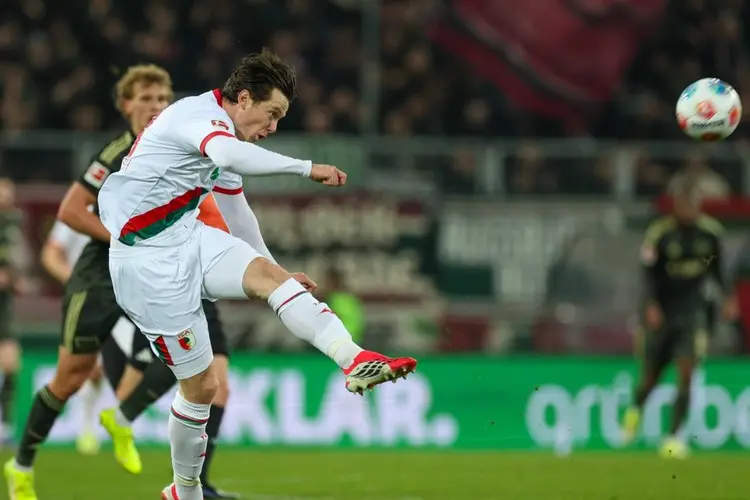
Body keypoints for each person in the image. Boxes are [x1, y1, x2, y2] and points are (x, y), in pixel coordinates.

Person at [97, 49, 417, 500]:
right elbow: (228, 153)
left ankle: (355, 358)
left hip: (186, 235)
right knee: (202, 387)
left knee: (269, 277)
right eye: (273, 114)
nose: (273, 127)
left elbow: (236, 211)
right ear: (244, 99)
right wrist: (306, 168)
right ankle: (184, 491)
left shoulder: (225, 136)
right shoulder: (196, 117)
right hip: (144, 266)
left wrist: (278, 271)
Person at [3, 64, 235, 500]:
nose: (155, 106)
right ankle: (21, 465)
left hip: (151, 275)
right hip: (100, 277)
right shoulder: (117, 153)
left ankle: (122, 417)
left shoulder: (179, 148)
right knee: (70, 378)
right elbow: (71, 210)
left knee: (188, 356)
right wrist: (127, 237)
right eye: (146, 98)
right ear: (126, 105)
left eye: (162, 98)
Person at [622, 180, 737, 458]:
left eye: (694, 205)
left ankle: (673, 437)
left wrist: (728, 298)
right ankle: (635, 411)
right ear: (676, 206)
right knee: (651, 378)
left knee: (687, 374)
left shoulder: (710, 234)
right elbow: (648, 274)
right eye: (685, 205)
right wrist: (650, 305)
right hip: (663, 313)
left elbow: (718, 270)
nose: (690, 211)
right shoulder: (660, 234)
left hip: (693, 313)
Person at [40, 218, 105, 455]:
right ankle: (83, 426)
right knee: (79, 370)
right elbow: (50, 254)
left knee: (102, 368)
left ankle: (93, 424)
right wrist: (75, 280)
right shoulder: (78, 211)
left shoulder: (123, 208)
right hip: (84, 300)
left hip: (116, 297)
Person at [0, 179, 24, 447]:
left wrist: (14, 277)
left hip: (4, 309)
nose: (6, 198)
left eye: (9, 194)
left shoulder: (13, 227)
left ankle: (5, 426)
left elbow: (22, 262)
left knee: (10, 365)